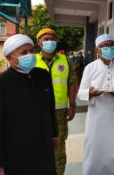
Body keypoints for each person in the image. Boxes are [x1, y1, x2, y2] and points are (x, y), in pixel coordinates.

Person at [0, 34, 57, 175]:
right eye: (23, 52)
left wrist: (54, 134)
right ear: (10, 59)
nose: (30, 55)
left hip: (44, 149)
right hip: (17, 154)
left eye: (31, 50)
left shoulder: (43, 76)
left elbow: (50, 108)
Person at [78, 34, 114, 175]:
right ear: (97, 50)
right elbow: (81, 92)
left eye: (112, 45)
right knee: (95, 148)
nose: (109, 48)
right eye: (105, 46)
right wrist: (90, 93)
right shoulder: (90, 68)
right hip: (97, 117)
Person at [35, 28, 77, 175]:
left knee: (58, 149)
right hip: (37, 112)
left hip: (59, 112)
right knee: (38, 146)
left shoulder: (64, 60)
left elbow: (72, 82)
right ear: (38, 42)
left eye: (52, 38)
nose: (50, 41)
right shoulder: (33, 61)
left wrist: (72, 105)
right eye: (46, 39)